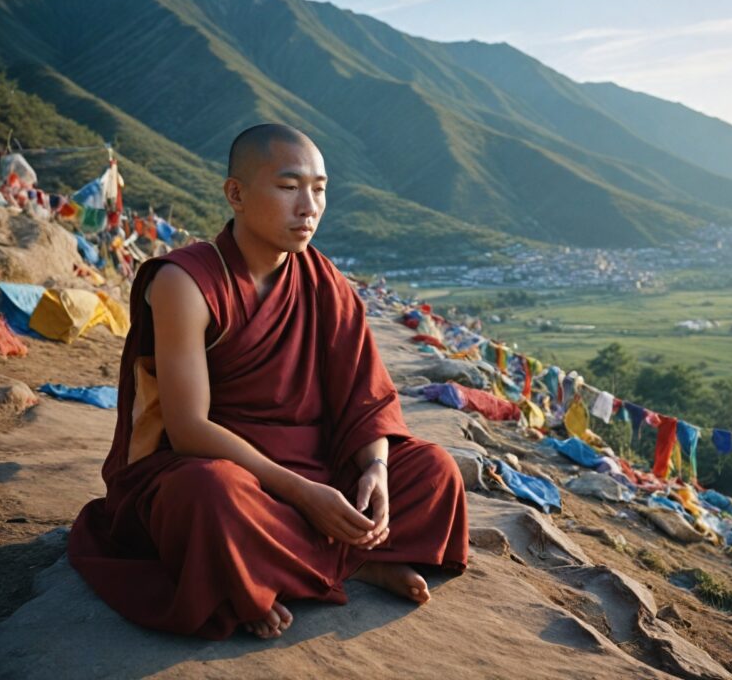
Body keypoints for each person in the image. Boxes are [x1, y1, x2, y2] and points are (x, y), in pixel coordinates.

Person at [68, 124, 468, 640]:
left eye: (320, 188)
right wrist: (305, 496)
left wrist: (376, 470)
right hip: (223, 470)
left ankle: (263, 574)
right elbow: (188, 430)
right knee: (207, 496)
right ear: (235, 193)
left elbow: (366, 398)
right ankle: (349, 562)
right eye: (288, 187)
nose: (309, 207)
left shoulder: (326, 283)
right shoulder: (184, 283)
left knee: (436, 471)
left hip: (314, 465)